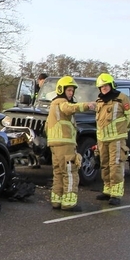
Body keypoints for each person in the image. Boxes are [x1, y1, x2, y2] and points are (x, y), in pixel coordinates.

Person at [46, 76, 96, 212]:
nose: (71, 93)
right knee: (70, 173)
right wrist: (87, 105)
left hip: (55, 145)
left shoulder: (53, 104)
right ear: (61, 90)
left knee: (58, 173)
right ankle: (69, 203)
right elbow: (69, 108)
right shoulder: (61, 102)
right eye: (68, 90)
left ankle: (56, 201)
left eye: (72, 91)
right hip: (65, 144)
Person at [94, 73, 130, 206]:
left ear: (111, 85)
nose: (104, 88)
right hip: (102, 139)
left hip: (117, 139)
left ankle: (116, 194)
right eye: (101, 86)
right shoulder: (99, 101)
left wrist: (123, 130)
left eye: (106, 85)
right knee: (104, 165)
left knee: (116, 165)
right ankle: (107, 190)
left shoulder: (122, 98)